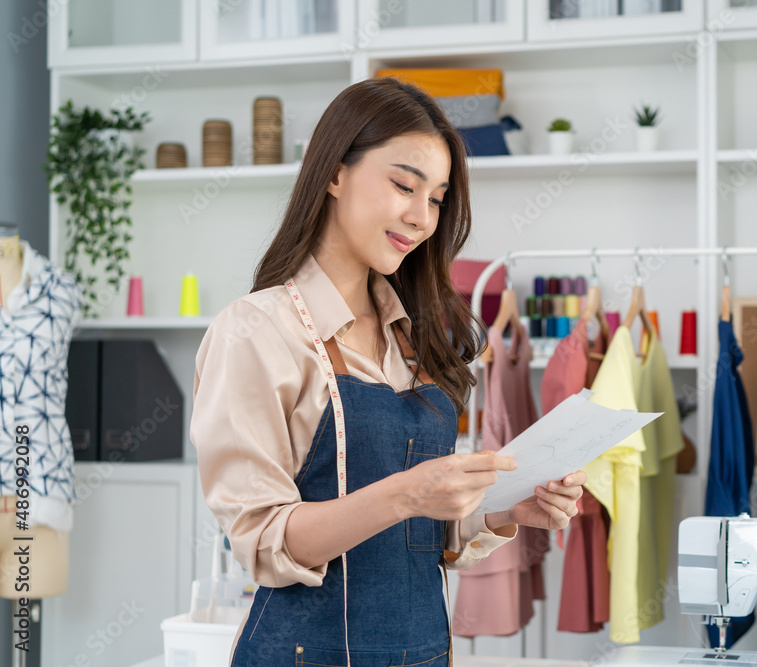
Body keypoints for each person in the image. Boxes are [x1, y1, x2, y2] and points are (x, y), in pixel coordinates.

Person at [190, 77, 586, 667]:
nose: (421, 217)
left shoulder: (416, 336)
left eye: (436, 199)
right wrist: (406, 493)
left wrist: (504, 510)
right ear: (333, 173)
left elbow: (422, 535)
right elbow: (264, 541)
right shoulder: (257, 331)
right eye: (404, 184)